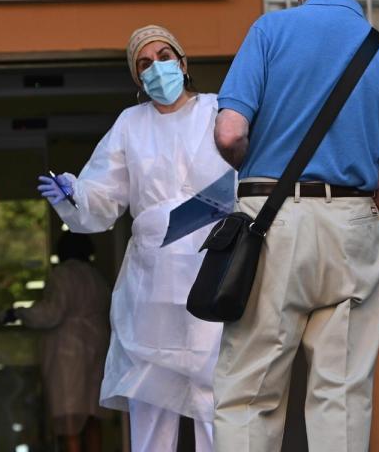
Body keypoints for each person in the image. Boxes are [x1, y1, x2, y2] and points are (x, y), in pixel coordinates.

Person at [212, 0, 379, 452]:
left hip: (273, 223)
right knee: (343, 394)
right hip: (355, 231)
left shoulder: (270, 32)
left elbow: (229, 132)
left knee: (250, 392)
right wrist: (356, 204)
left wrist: (251, 168)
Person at [37, 25, 234, 452]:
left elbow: (241, 177)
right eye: (145, 63)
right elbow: (102, 194)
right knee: (150, 397)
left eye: (164, 57)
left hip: (210, 267)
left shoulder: (217, 111)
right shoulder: (131, 124)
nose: (156, 68)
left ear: (183, 63)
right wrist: (76, 194)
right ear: (137, 78)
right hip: (153, 279)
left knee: (213, 395)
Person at [3, 232, 111, 452]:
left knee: (70, 419)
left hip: (68, 351)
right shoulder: (97, 277)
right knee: (93, 417)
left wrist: (19, 313)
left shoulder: (62, 275)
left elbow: (52, 313)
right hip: (98, 347)